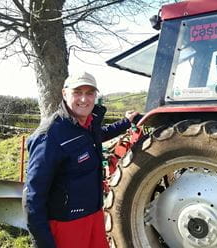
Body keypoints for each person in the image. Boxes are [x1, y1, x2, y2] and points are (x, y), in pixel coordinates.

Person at [22, 71, 139, 248]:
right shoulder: (50, 136)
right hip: (67, 225)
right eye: (77, 92)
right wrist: (43, 243)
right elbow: (33, 197)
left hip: (95, 216)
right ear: (64, 93)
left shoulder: (88, 124)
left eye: (89, 93)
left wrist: (126, 122)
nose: (84, 99)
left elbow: (100, 134)